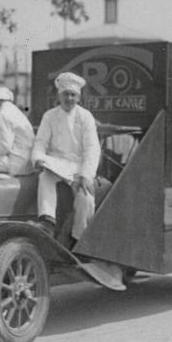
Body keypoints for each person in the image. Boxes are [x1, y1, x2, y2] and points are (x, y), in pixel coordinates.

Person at [31, 72, 101, 244]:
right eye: (65, 94)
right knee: (44, 177)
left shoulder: (85, 117)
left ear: (78, 97)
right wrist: (38, 158)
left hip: (78, 167)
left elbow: (92, 148)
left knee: (86, 198)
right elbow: (40, 141)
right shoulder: (49, 116)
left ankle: (78, 239)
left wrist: (86, 175)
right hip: (56, 164)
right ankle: (47, 220)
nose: (69, 98)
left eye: (73, 95)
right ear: (58, 95)